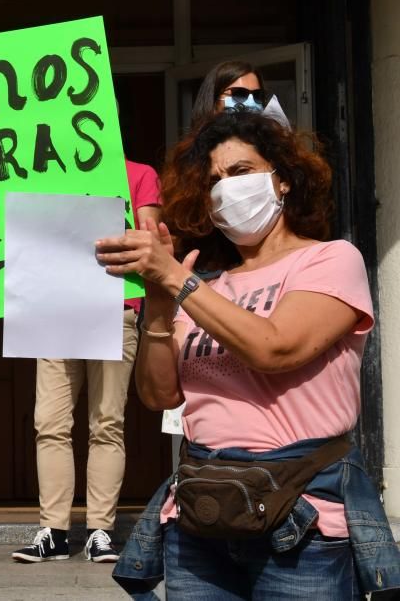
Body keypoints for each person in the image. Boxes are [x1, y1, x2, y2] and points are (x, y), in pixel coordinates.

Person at [100, 111, 400, 599]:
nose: (225, 189)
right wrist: (157, 307)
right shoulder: (209, 286)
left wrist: (176, 279)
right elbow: (158, 394)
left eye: (240, 172)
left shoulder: (330, 259)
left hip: (301, 524)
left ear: (282, 180)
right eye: (213, 181)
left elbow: (274, 347)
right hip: (200, 516)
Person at [12, 159, 161, 565]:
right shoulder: (46, 171)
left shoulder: (138, 174)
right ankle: (54, 531)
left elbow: (151, 242)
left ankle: (101, 531)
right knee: (50, 422)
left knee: (107, 422)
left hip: (113, 304)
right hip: (55, 306)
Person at [188, 60, 266, 128]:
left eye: (257, 94)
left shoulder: (269, 143)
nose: (251, 101)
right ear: (214, 99)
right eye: (239, 93)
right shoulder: (200, 144)